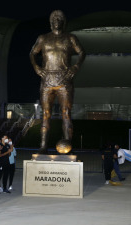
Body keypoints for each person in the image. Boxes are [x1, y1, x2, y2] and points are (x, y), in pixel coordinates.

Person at [30, 10, 86, 153]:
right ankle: (43, 145)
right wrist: (36, 67)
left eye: (59, 19)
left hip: (64, 80)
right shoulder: (43, 38)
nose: (57, 21)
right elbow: (32, 53)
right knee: (45, 113)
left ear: (63, 22)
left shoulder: (70, 38)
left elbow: (82, 52)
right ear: (50, 22)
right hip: (47, 79)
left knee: (66, 113)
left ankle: (69, 145)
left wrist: (76, 66)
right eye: (54, 19)